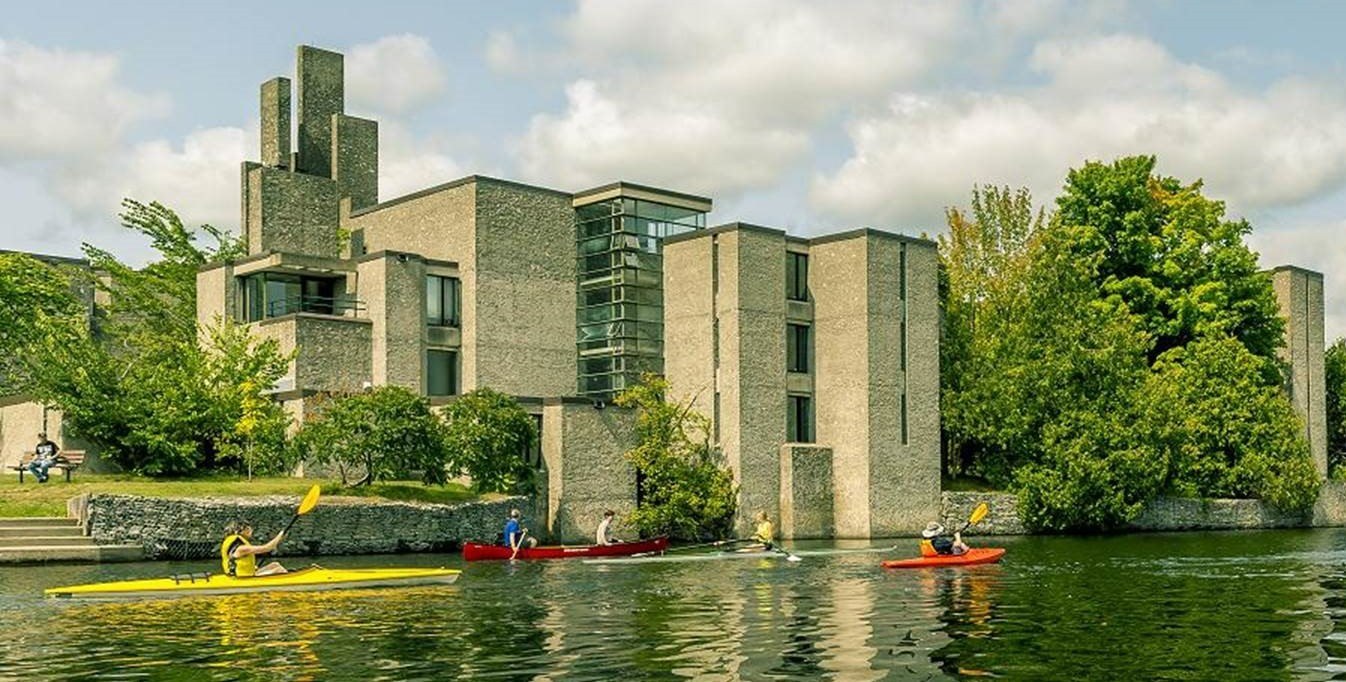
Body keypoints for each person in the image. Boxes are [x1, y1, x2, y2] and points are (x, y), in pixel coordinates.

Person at [220, 521, 288, 577]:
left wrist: (279, 539)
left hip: (246, 575)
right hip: (242, 578)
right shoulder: (241, 549)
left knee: (275, 565)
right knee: (280, 570)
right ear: (241, 531)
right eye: (248, 529)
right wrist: (280, 535)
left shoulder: (236, 544)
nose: (251, 531)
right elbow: (267, 548)